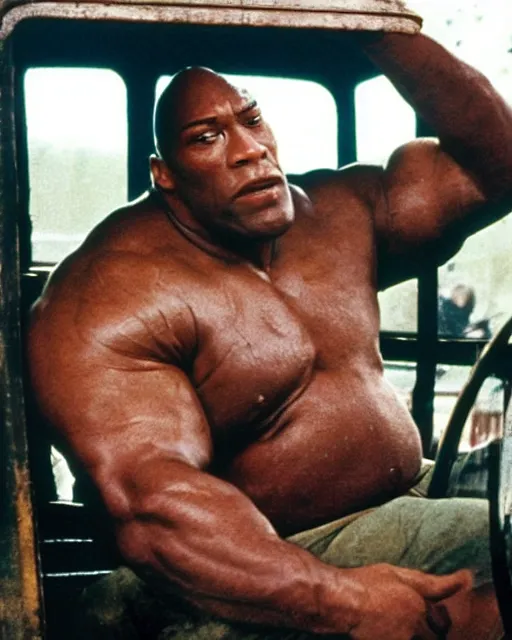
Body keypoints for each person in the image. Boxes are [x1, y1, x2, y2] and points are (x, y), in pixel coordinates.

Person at [27, 24, 512, 640]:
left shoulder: (337, 214)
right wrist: (343, 600)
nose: (248, 150)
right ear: (164, 173)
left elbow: (494, 166)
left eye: (251, 120)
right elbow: (155, 510)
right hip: (280, 553)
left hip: (412, 481)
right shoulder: (109, 294)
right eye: (206, 138)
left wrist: (380, 26)